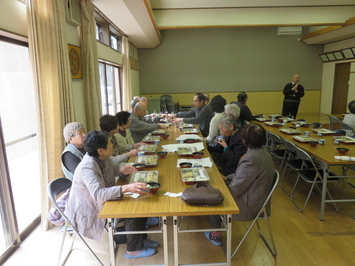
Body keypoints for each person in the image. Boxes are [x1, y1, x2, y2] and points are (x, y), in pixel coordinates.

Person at [64, 130, 158, 258]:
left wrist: (122, 170)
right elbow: (98, 195)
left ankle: (141, 239)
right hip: (90, 210)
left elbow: (112, 168)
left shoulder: (102, 157)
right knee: (132, 211)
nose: (112, 145)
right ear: (101, 150)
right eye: (109, 143)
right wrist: (124, 188)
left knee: (138, 203)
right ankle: (133, 250)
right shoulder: (87, 167)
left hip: (101, 200)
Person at [205, 123, 274, 246]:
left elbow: (236, 189)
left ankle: (215, 234)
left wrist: (218, 187)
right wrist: (226, 177)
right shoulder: (262, 153)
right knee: (214, 184)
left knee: (211, 194)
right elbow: (242, 176)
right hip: (254, 195)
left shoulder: (251, 159)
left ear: (244, 140)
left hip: (248, 204)